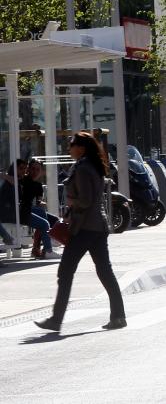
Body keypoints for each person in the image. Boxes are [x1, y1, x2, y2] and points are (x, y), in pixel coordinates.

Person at [35, 132, 127, 331]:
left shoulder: (84, 168)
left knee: (65, 271)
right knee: (104, 271)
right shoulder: (92, 165)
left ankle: (56, 319)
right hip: (97, 226)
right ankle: (118, 316)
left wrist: (71, 204)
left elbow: (85, 200)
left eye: (71, 145)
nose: (68, 149)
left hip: (85, 227)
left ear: (81, 148)